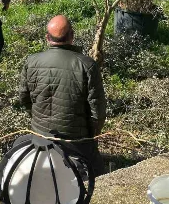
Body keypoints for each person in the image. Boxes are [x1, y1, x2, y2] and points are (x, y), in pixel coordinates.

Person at [18, 15, 107, 176]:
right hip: (75, 141)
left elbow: (23, 98)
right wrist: (92, 137)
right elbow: (98, 111)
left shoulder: (31, 61)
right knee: (100, 175)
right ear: (72, 36)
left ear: (47, 38)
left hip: (39, 136)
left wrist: (37, 119)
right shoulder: (87, 65)